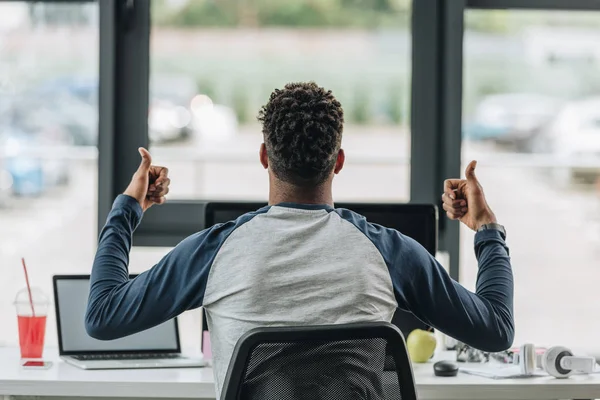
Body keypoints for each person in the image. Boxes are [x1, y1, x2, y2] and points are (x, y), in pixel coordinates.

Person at [85, 82, 513, 396]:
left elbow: (103, 316)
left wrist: (128, 208)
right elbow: (496, 330)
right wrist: (487, 229)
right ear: (339, 161)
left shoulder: (215, 251)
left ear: (264, 156)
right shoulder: (391, 252)